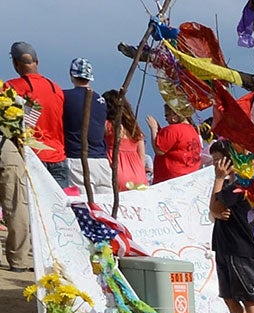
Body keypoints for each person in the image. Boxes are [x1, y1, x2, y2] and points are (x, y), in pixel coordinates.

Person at [208, 140, 254, 313]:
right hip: (224, 246)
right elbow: (214, 210)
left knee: (250, 298)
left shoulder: (240, 184)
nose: (215, 165)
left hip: (239, 248)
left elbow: (214, 205)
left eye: (217, 160)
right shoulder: (231, 185)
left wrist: (219, 179)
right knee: (231, 298)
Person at [7, 42, 68, 189]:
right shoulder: (56, 89)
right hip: (58, 155)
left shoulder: (11, 88)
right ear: (37, 62)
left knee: (33, 208)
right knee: (58, 209)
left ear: (15, 63)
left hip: (32, 156)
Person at [61, 59, 111, 198]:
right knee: (106, 206)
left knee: (83, 206)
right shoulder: (100, 100)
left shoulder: (65, 96)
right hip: (101, 160)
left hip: (77, 157)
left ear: (72, 74)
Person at [148, 95, 206, 183]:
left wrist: (153, 129)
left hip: (171, 180)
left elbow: (159, 150)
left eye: (167, 115)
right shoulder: (192, 130)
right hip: (190, 177)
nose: (166, 119)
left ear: (174, 115)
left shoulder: (172, 130)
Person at [103, 91, 148, 193]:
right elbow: (142, 155)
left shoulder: (108, 125)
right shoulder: (134, 127)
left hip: (117, 172)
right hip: (138, 174)